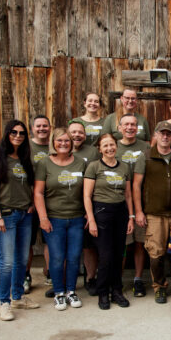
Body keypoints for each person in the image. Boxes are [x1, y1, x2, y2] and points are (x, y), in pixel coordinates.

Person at [0, 120, 39, 321]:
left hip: (25, 215)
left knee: (21, 259)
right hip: (5, 215)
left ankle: (17, 296)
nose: (18, 136)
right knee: (6, 262)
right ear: (7, 134)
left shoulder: (25, 158)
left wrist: (31, 203)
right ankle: (4, 303)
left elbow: (30, 185)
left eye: (22, 133)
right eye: (14, 132)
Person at [133, 121, 171, 304]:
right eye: (161, 133)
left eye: (168, 134)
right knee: (156, 254)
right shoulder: (145, 157)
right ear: (155, 135)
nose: (165, 137)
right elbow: (136, 185)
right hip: (154, 214)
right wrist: (139, 211)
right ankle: (160, 287)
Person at [34, 128, 87, 311]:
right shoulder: (45, 164)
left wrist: (88, 213)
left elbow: (87, 191)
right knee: (57, 258)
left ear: (72, 143)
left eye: (67, 140)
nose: (63, 144)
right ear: (53, 143)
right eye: (59, 141)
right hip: (54, 219)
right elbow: (38, 193)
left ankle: (71, 291)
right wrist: (43, 217)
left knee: (73, 257)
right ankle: (58, 293)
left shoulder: (81, 163)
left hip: (77, 218)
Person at [83, 134, 134, 310]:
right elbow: (87, 196)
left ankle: (117, 291)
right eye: (105, 146)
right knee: (105, 257)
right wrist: (91, 220)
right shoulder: (94, 167)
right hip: (101, 212)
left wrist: (131, 217)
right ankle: (103, 292)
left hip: (120, 213)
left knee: (119, 255)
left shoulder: (124, 167)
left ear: (116, 146)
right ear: (99, 149)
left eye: (112, 145)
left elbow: (128, 195)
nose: (109, 148)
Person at [115, 113, 150, 295]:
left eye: (133, 124)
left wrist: (140, 210)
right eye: (126, 124)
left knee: (139, 242)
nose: (130, 127)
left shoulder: (145, 147)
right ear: (119, 128)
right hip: (120, 201)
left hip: (141, 200)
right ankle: (117, 281)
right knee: (122, 244)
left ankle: (137, 279)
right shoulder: (114, 146)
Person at [69, 119, 100, 295]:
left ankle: (90, 278)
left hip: (88, 205)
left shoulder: (92, 152)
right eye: (73, 132)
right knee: (67, 246)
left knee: (89, 246)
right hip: (66, 206)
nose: (77, 135)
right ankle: (64, 281)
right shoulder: (60, 150)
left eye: (80, 132)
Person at [26, 114, 52, 293]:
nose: (42, 129)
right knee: (27, 241)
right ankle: (25, 274)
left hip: (49, 201)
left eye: (45, 126)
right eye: (38, 126)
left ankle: (50, 272)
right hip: (28, 202)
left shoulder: (55, 146)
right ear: (32, 129)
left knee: (48, 240)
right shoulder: (26, 147)